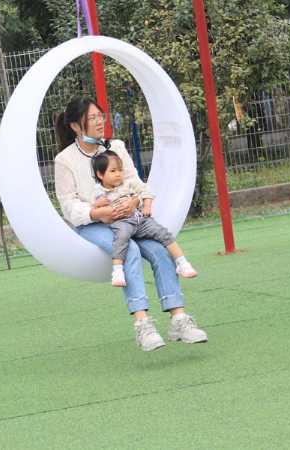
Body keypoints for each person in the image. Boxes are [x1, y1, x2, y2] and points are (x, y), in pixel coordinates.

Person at [54, 97, 207, 352]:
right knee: (130, 250)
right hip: (92, 224)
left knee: (160, 249)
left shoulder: (116, 147)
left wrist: (134, 201)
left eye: (100, 116)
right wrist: (98, 213)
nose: (100, 122)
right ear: (75, 126)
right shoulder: (65, 160)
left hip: (128, 217)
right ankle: (142, 325)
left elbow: (135, 182)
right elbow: (68, 206)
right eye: (92, 118)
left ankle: (178, 320)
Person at [89, 150, 198, 287]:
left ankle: (182, 262)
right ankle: (117, 271)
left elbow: (147, 190)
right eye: (113, 171)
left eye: (120, 170)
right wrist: (97, 204)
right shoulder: (98, 192)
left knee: (162, 233)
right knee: (121, 238)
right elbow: (93, 210)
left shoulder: (129, 183)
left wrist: (147, 205)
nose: (118, 174)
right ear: (100, 174)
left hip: (139, 218)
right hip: (120, 222)